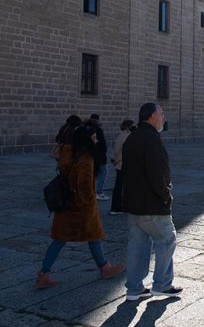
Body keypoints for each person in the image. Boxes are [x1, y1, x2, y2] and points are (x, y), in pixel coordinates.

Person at [35, 123, 125, 289]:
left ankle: (43, 275)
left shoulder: (68, 154)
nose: (96, 139)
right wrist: (90, 206)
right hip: (80, 208)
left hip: (66, 204)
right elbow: (84, 185)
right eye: (94, 137)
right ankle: (105, 268)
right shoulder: (86, 158)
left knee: (60, 239)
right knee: (93, 235)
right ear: (88, 139)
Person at [122, 103, 182, 301]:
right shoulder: (152, 140)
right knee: (167, 239)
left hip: (133, 203)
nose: (164, 117)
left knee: (137, 245)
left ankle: (134, 288)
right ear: (150, 117)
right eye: (161, 114)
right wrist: (165, 195)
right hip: (151, 203)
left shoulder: (132, 137)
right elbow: (157, 173)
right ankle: (162, 284)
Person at [109, 119, 135, 215]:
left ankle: (121, 207)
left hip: (122, 164)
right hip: (122, 164)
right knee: (120, 187)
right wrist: (117, 159)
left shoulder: (124, 135)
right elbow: (117, 150)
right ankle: (116, 208)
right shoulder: (125, 135)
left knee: (122, 186)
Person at [87, 114, 109, 201]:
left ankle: (92, 191)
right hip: (99, 155)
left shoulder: (85, 129)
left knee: (92, 174)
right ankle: (99, 192)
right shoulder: (98, 130)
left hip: (89, 155)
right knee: (103, 173)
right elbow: (102, 143)